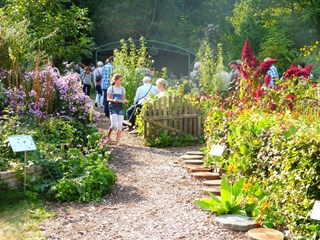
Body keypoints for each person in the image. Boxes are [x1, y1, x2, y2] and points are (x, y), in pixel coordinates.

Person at [106, 73, 129, 145]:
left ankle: (118, 141)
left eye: (122, 80)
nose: (121, 82)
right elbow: (108, 98)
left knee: (120, 126)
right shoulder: (111, 88)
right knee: (114, 125)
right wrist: (113, 100)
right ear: (115, 80)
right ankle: (109, 134)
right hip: (113, 107)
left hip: (120, 107)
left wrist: (126, 101)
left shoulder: (123, 89)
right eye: (120, 80)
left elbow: (124, 99)